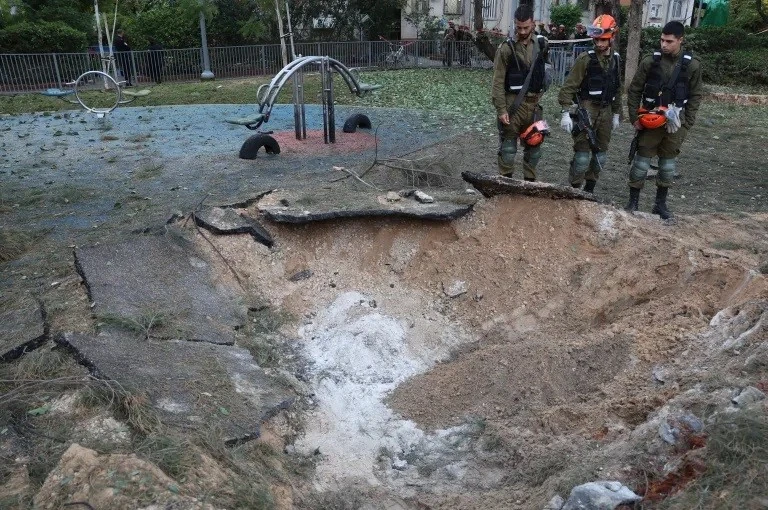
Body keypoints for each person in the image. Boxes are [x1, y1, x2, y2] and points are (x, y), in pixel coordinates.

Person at [625, 21, 703, 220]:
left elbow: (695, 96)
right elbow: (634, 90)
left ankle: (660, 205)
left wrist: (687, 124)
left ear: (680, 40)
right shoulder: (650, 61)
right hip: (649, 120)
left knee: (668, 166)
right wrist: (635, 118)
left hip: (675, 124)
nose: (664, 45)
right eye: (662, 40)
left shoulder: (692, 65)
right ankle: (633, 202)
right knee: (641, 163)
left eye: (669, 41)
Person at [557, 14, 622, 193]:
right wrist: (565, 112)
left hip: (607, 111)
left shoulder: (616, 59)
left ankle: (589, 191)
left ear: (612, 37)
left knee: (600, 156)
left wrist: (617, 113)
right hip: (587, 109)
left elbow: (617, 87)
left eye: (603, 40)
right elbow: (568, 87)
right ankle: (575, 189)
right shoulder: (585, 59)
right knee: (582, 158)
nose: (599, 43)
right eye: (597, 40)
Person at [491, 5, 550, 181]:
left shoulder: (541, 44)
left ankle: (529, 185)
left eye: (526, 27)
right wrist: (501, 110)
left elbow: (545, 70)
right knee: (508, 149)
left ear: (533, 24)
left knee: (534, 147)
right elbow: (497, 81)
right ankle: (506, 183)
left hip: (534, 106)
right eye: (519, 27)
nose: (522, 31)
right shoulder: (506, 48)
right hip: (512, 105)